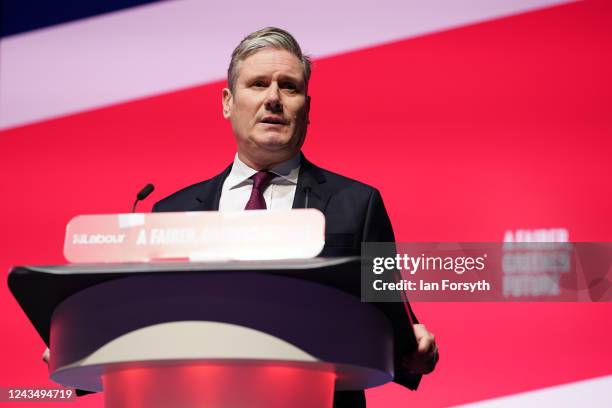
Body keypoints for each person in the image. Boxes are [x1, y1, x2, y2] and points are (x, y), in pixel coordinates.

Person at [152, 27, 438, 407]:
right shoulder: (171, 213)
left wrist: (416, 351)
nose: (273, 98)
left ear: (307, 107)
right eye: (258, 84)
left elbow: (396, 322)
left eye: (289, 87)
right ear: (227, 102)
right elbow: (148, 324)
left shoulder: (357, 205)